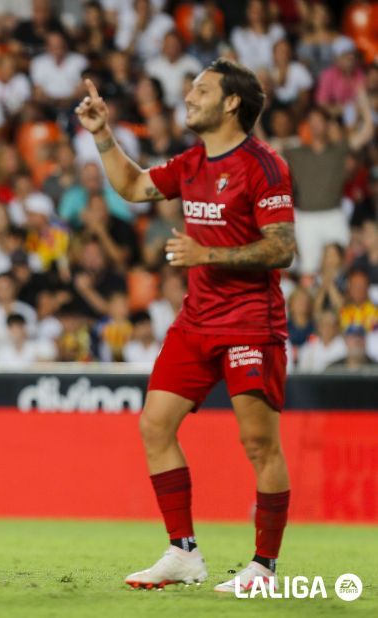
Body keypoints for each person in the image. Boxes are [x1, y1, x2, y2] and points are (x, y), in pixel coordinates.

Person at [76, 59, 297, 592]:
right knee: (154, 425)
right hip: (196, 321)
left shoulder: (264, 166)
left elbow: (283, 247)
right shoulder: (193, 162)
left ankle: (263, 568)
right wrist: (103, 135)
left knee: (259, 445)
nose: (189, 95)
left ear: (231, 104)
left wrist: (208, 252)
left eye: (201, 89)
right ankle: (183, 552)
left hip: (249, 322)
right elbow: (131, 185)